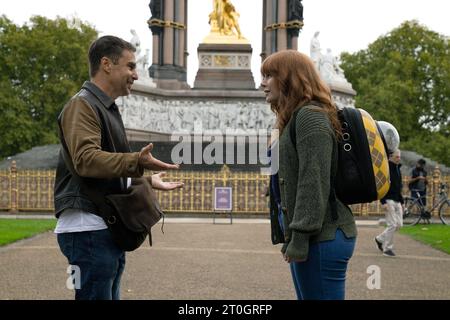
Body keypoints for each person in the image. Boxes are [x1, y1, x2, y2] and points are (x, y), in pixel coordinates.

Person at [53, 35, 184, 300]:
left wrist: (145, 182)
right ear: (106, 64)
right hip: (86, 230)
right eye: (131, 66)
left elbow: (105, 173)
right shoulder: (83, 105)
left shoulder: (104, 107)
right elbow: (86, 160)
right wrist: (136, 161)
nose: (136, 74)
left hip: (101, 228)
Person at [261, 50, 357, 300]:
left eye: (270, 75)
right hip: (315, 237)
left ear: (290, 79)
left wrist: (300, 236)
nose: (262, 83)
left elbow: (312, 182)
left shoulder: (310, 117)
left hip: (322, 238)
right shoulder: (294, 118)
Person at [375, 149, 404, 257]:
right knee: (392, 224)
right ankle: (387, 249)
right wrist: (383, 201)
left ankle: (380, 239)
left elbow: (398, 187)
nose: (399, 158)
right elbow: (380, 185)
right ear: (391, 157)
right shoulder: (386, 169)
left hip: (396, 200)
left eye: (399, 156)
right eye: (397, 157)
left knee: (399, 224)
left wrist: (401, 201)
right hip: (388, 200)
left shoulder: (397, 169)